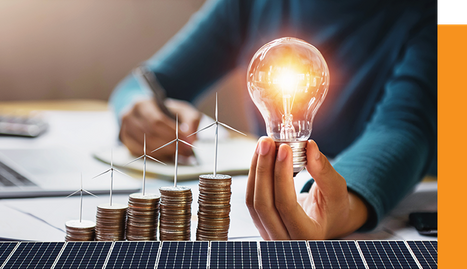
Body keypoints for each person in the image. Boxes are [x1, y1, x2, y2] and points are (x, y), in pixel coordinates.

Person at [109, 0, 437, 240]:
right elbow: (147, 82)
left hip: (390, 194)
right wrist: (138, 108)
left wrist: (339, 204)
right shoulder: (248, 5)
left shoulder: (427, 17)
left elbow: (404, 129)